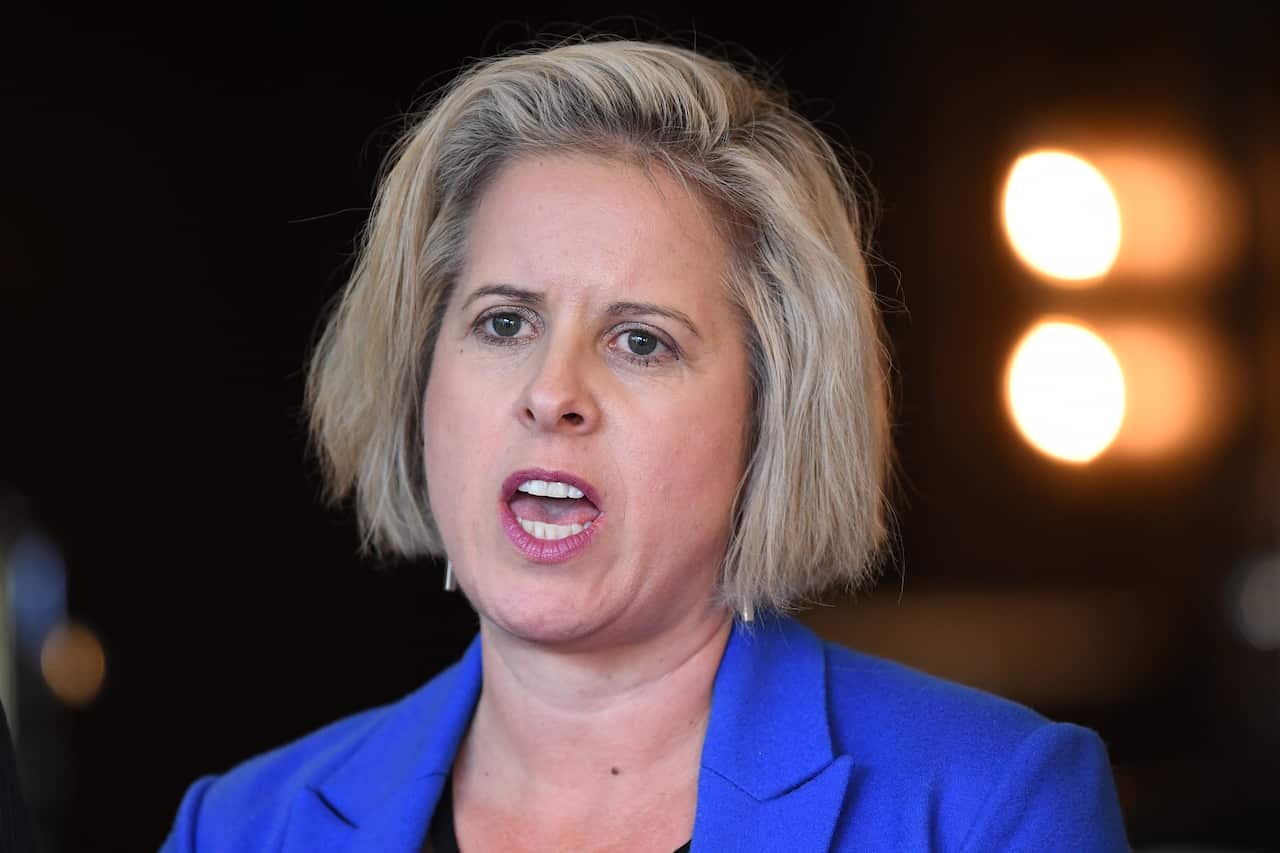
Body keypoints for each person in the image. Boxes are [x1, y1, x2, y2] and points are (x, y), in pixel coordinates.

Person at [160, 37, 1129, 852]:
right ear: (421, 375)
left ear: (773, 413)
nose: (551, 393)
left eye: (639, 341)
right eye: (504, 322)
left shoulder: (988, 805)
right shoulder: (241, 826)